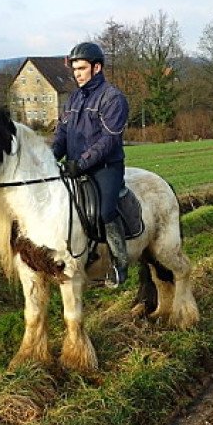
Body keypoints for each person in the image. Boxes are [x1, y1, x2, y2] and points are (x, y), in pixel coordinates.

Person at [52, 42, 129, 287]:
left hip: (105, 167)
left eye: (82, 68)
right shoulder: (73, 98)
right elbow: (62, 133)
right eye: (74, 69)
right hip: (75, 166)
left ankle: (120, 263)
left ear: (97, 68)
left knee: (105, 211)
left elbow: (109, 140)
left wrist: (82, 163)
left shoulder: (113, 98)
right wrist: (50, 157)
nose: (77, 74)